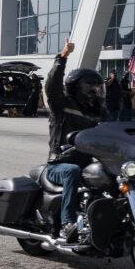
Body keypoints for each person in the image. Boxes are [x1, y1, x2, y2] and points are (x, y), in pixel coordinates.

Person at [44, 40, 104, 243]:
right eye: (90, 87)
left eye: (97, 88)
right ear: (77, 88)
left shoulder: (96, 112)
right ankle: (66, 224)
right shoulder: (61, 105)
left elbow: (118, 122)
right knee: (72, 171)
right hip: (59, 163)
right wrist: (62, 57)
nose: (95, 92)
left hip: (87, 161)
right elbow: (52, 85)